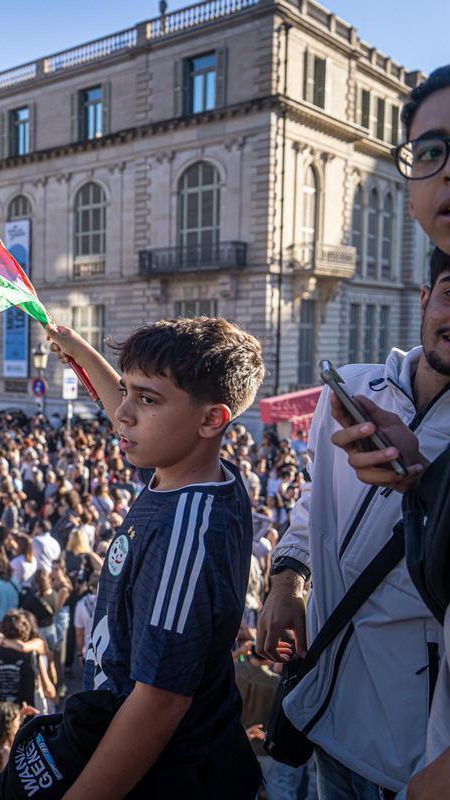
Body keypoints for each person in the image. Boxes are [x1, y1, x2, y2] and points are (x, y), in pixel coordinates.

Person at [46, 316, 265, 798]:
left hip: (166, 777)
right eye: (126, 391)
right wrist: (80, 352)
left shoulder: (187, 530)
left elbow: (159, 702)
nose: (123, 414)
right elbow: (131, 415)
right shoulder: (190, 467)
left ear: (213, 419)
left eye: (146, 399)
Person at [313, 65, 450, 800]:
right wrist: (287, 575)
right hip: (324, 712)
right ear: (424, 295)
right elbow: (313, 512)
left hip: (412, 757)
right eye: (430, 150)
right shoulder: (356, 391)